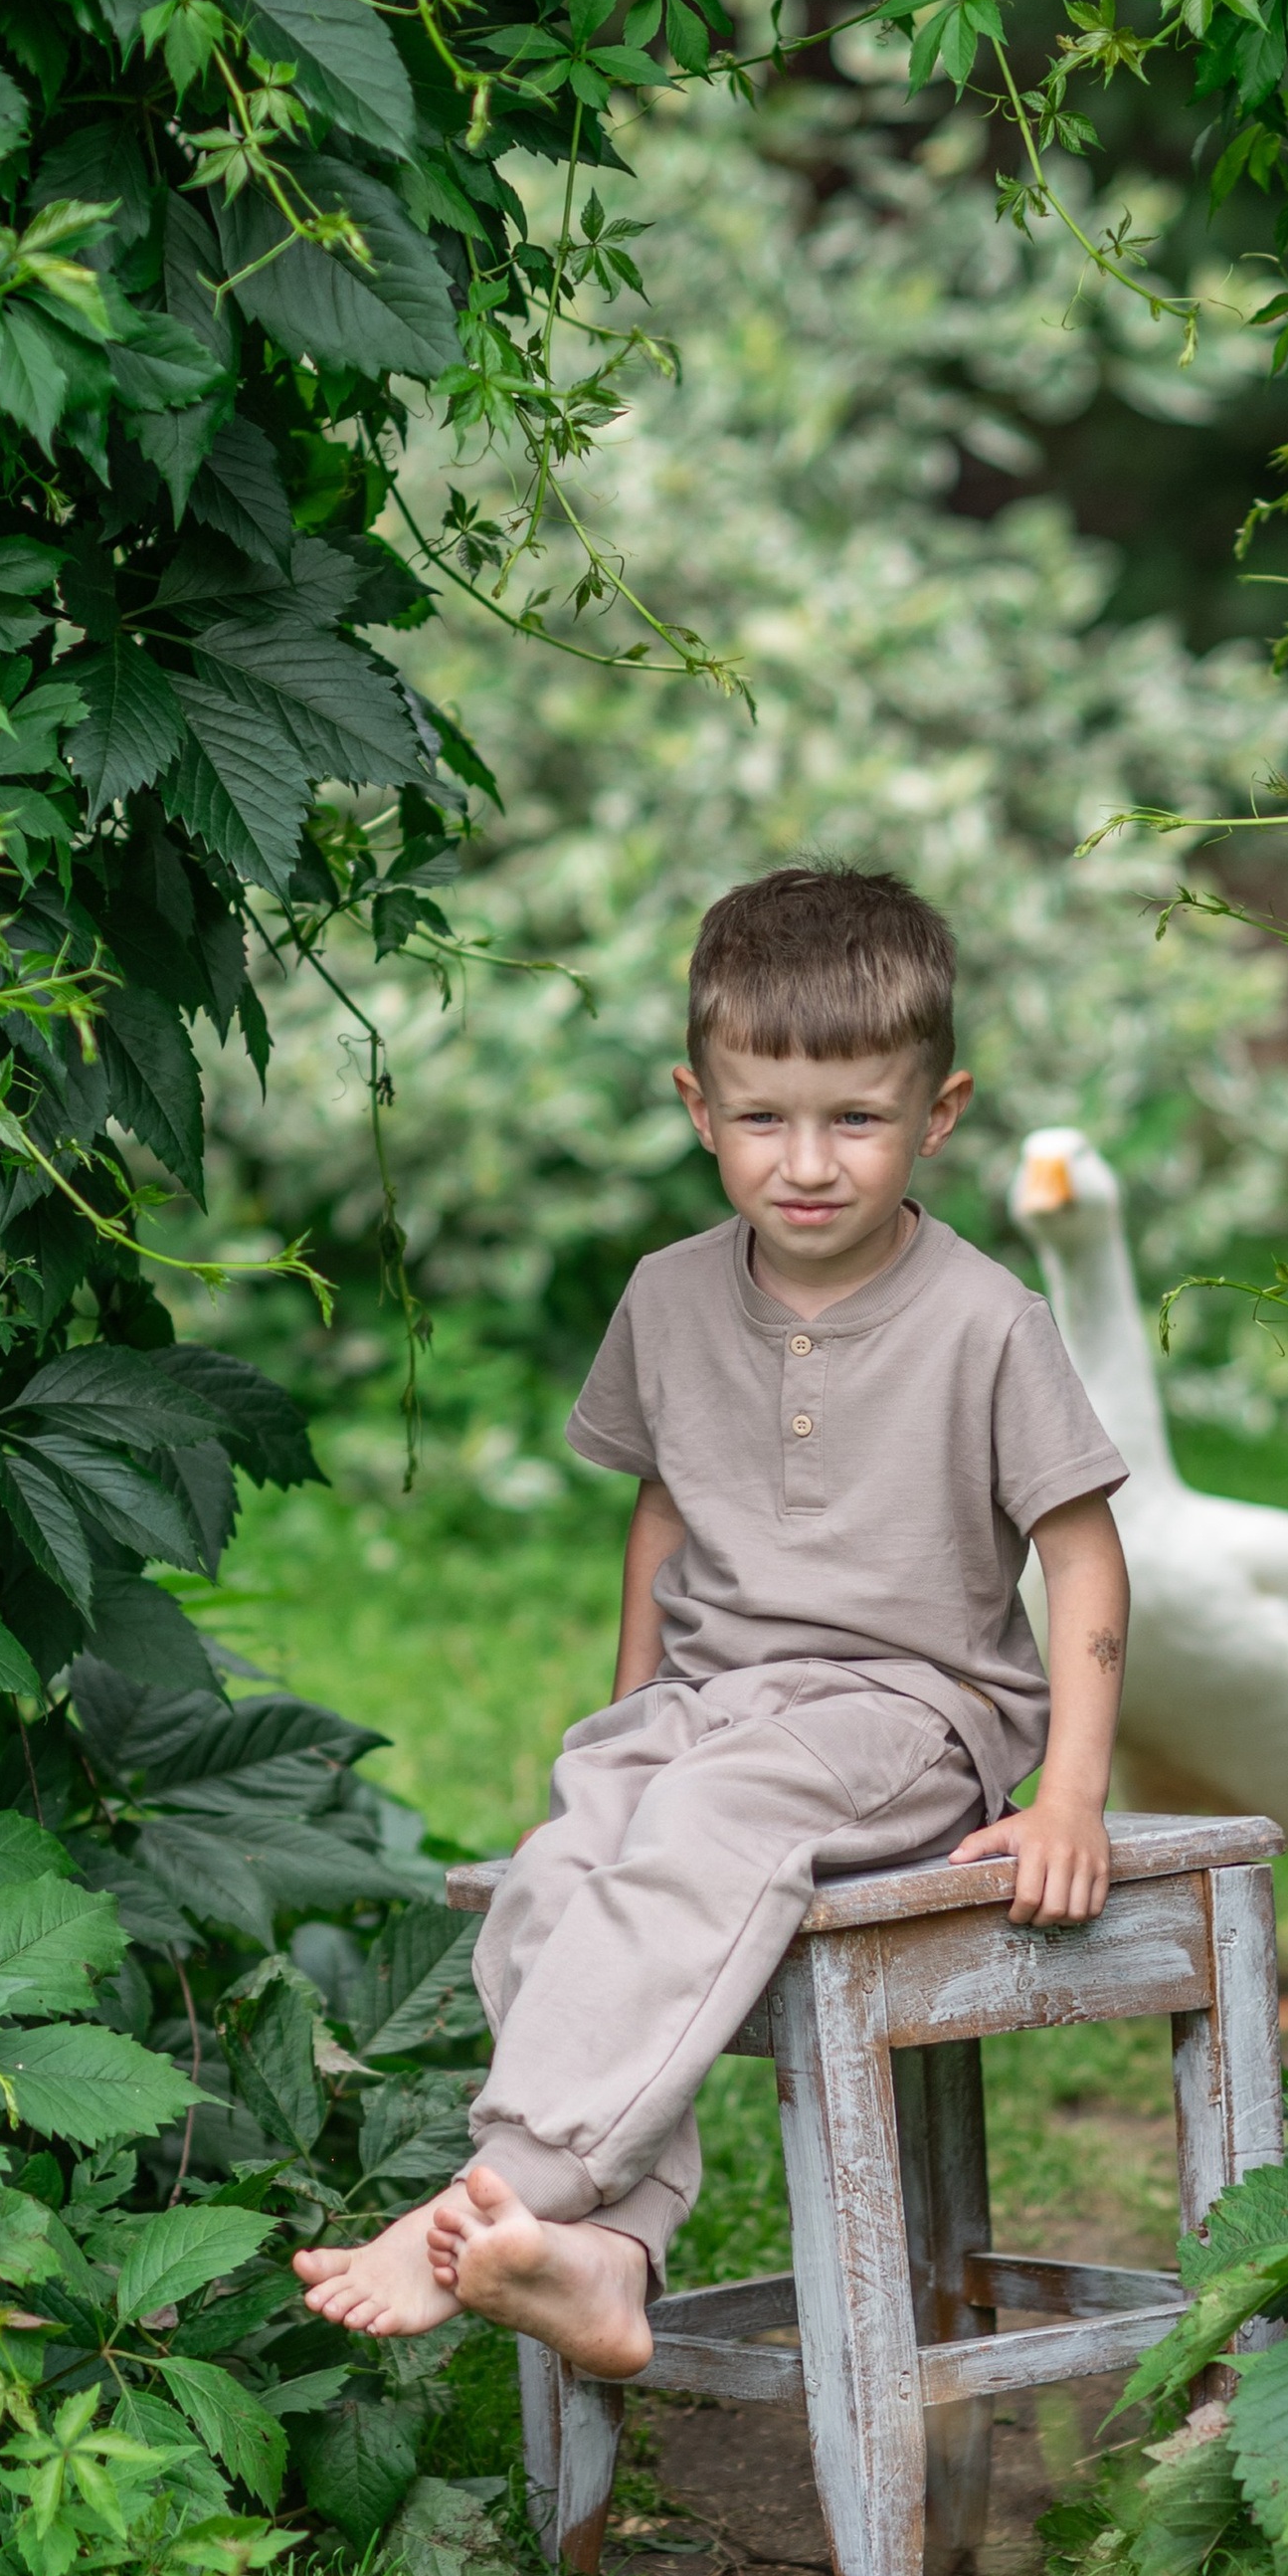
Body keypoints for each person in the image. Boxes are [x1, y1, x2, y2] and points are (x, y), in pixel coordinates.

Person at [294, 863, 1131, 2377]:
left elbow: (1082, 1555)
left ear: (936, 1115)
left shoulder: (985, 1318)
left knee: (710, 1821)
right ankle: (609, 2255)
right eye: (762, 1119)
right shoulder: (668, 1298)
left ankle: (502, 2190)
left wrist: (1067, 1792)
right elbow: (664, 1513)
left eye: (857, 1120)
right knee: (565, 1870)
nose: (806, 1164)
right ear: (699, 1106)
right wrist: (622, 1732)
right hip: (713, 1703)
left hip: (906, 1714)